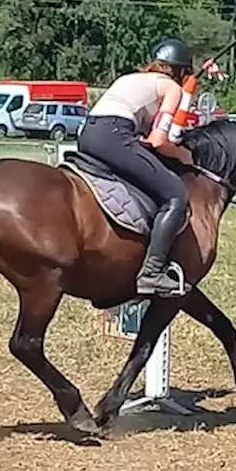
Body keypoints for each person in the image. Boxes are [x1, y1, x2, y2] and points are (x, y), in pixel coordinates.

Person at [77, 38, 197, 297]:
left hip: (88, 134)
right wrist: (183, 154)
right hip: (114, 136)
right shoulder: (171, 88)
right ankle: (152, 274)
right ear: (180, 71)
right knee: (176, 195)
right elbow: (158, 141)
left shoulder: (128, 79)